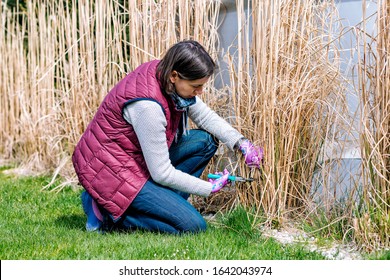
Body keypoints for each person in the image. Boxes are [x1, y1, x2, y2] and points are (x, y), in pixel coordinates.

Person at [72, 40, 263, 234]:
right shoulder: (148, 108)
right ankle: (105, 211)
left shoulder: (165, 75)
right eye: (196, 86)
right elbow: (162, 173)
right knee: (193, 227)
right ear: (174, 76)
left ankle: (163, 206)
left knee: (205, 142)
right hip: (112, 172)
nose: (200, 92)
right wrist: (208, 188)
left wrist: (241, 143)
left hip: (134, 160)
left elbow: (204, 116)